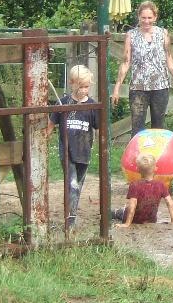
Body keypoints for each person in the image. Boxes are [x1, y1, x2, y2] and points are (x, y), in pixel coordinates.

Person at [112, 1, 173, 135]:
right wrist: (117, 88)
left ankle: (155, 156)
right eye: (143, 18)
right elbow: (125, 62)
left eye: (149, 18)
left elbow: (170, 61)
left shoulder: (163, 34)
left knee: (158, 129)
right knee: (137, 129)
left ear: (155, 17)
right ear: (138, 17)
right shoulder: (131, 35)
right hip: (138, 89)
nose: (146, 21)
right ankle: (138, 156)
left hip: (160, 87)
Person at [44, 64, 98, 227]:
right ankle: (70, 223)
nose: (83, 90)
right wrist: (44, 138)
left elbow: (99, 128)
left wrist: (103, 147)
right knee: (72, 184)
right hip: (67, 150)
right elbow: (51, 125)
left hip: (84, 151)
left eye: (87, 87)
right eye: (81, 86)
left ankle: (71, 214)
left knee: (77, 186)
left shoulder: (92, 106)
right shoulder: (63, 103)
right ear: (72, 83)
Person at [111, 153, 173, 227]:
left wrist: (127, 224)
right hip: (151, 220)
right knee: (123, 210)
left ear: (137, 169)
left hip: (134, 220)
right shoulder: (160, 185)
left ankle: (111, 213)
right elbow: (169, 202)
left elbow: (132, 205)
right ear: (155, 168)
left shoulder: (135, 185)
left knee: (116, 213)